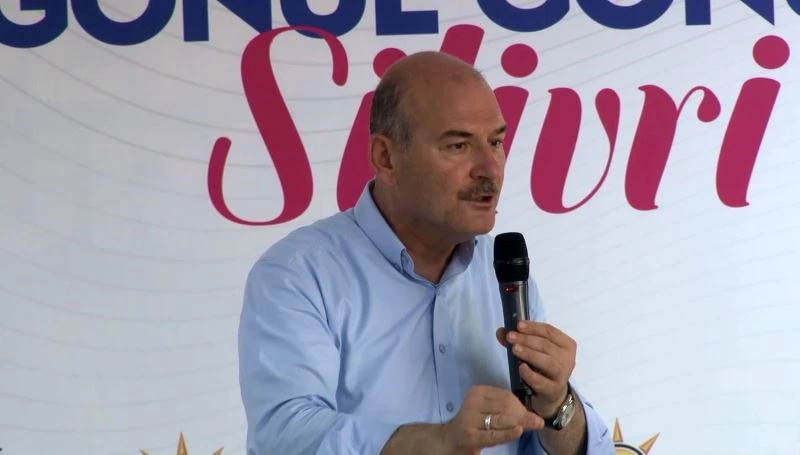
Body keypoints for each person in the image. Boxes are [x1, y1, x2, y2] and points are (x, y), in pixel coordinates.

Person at [238, 50, 614, 455]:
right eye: (458, 145)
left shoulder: (502, 273)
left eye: (496, 142)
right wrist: (440, 441)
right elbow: (287, 437)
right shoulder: (298, 274)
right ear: (386, 158)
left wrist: (558, 405)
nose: (490, 168)